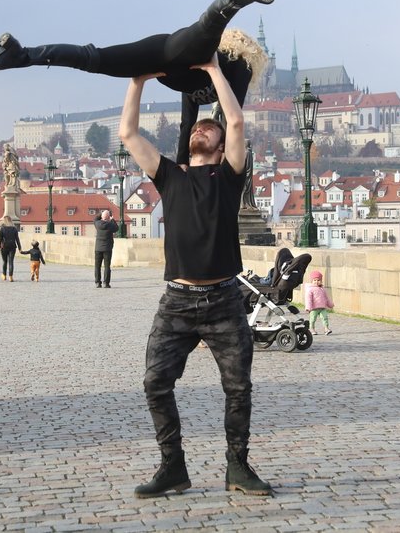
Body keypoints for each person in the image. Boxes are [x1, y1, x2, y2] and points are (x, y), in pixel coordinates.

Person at [120, 53, 272, 498]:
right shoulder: (169, 176)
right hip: (178, 301)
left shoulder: (229, 178)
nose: (201, 128)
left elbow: (238, 122)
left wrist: (212, 71)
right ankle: (173, 466)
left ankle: (237, 467)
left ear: (223, 147)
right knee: (154, 382)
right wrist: (138, 79)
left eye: (211, 128)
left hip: (224, 300)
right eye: (198, 127)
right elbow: (128, 132)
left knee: (238, 387)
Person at [0, 0, 271, 166]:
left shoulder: (198, 88)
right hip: (171, 51)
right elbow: (235, 120)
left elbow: (186, 122)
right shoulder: (234, 64)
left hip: (162, 65)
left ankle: (20, 56)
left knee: (94, 61)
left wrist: (182, 163)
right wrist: (215, 68)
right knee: (203, 34)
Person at [304, 270, 335, 336]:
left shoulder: (322, 289)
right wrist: (308, 308)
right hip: (314, 308)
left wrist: (330, 304)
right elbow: (308, 299)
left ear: (321, 281)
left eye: (318, 280)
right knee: (312, 319)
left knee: (325, 318)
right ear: (311, 281)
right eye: (314, 280)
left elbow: (326, 298)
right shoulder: (310, 289)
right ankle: (311, 328)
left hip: (322, 307)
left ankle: (326, 328)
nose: (316, 282)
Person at [93, 209, 118, 288]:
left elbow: (95, 219)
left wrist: (101, 213)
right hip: (107, 248)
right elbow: (116, 228)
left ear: (102, 217)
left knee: (97, 266)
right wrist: (112, 219)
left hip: (98, 248)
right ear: (108, 217)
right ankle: (106, 283)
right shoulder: (110, 225)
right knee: (107, 266)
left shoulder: (97, 224)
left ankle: (97, 282)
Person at [0, 215, 23, 281]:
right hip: (12, 246)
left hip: (4, 247)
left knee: (4, 261)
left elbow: (0, 239)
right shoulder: (14, 228)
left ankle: (4, 275)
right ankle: (11, 277)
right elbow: (17, 239)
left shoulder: (2, 228)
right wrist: (20, 248)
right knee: (11, 262)